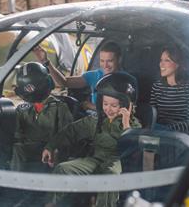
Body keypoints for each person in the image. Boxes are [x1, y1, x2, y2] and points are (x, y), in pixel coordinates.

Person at [41, 72, 142, 207]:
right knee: (63, 168)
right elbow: (71, 131)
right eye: (105, 104)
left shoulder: (134, 124)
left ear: (125, 105)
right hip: (95, 159)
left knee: (111, 177)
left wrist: (126, 124)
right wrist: (51, 146)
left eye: (114, 105)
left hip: (117, 161)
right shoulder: (96, 120)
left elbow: (133, 146)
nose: (108, 109)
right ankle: (52, 204)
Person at [11, 62, 73, 172]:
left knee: (18, 150)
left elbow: (68, 134)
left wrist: (55, 149)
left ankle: (15, 186)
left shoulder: (59, 108)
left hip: (49, 149)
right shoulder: (22, 109)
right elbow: (16, 133)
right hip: (27, 148)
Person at [34, 42, 122, 111]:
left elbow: (119, 110)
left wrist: (89, 105)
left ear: (119, 60)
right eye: (102, 61)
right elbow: (63, 82)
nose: (105, 65)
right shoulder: (95, 75)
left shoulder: (127, 80)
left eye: (109, 61)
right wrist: (46, 62)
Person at [150, 47, 189, 139]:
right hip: (157, 132)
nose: (161, 64)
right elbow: (151, 116)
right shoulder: (157, 86)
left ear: (177, 64)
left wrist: (166, 131)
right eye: (161, 60)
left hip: (180, 137)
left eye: (167, 60)